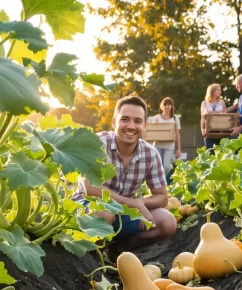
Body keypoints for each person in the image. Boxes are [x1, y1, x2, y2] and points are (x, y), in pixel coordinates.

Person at [71, 95, 177, 261]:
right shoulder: (97, 143)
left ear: (145, 126)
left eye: (137, 121)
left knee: (167, 222)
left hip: (123, 212)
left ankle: (118, 250)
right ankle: (91, 261)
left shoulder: (150, 154)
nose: (131, 126)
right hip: (88, 207)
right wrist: (132, 203)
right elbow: (90, 189)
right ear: (114, 122)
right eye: (125, 119)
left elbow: (162, 197)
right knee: (104, 214)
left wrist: (140, 202)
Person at [149, 97, 182, 176]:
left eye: (169, 105)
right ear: (162, 106)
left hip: (169, 146)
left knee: (166, 167)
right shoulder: (157, 118)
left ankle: (163, 181)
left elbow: (177, 134)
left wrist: (179, 149)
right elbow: (153, 132)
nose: (167, 106)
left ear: (172, 106)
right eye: (165, 105)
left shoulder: (175, 118)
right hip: (157, 146)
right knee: (157, 167)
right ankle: (158, 182)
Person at [200, 83, 227, 150]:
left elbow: (225, 116)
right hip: (209, 130)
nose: (220, 92)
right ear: (212, 91)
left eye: (220, 90)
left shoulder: (222, 102)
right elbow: (202, 118)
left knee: (222, 151)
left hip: (221, 130)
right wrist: (202, 129)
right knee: (209, 151)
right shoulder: (204, 103)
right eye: (218, 90)